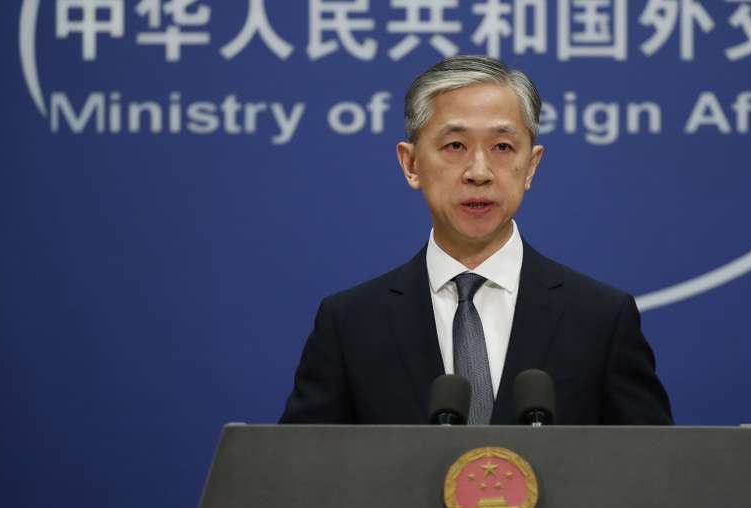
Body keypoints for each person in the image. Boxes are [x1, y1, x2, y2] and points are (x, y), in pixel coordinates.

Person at [279, 56, 672, 425]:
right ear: (411, 163)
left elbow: (652, 474)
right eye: (455, 146)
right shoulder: (351, 324)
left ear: (531, 166)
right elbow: (299, 476)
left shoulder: (601, 319)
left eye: (502, 147)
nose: (479, 172)